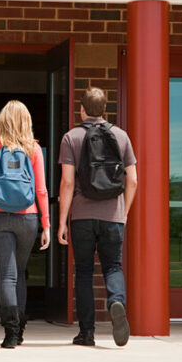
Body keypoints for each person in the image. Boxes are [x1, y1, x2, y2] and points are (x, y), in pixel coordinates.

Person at [57, 87, 137, 347]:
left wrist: (62, 221)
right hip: (113, 214)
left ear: (81, 109)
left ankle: (86, 333)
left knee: (83, 272)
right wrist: (123, 212)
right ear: (105, 109)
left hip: (82, 216)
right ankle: (116, 301)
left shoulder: (71, 137)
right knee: (113, 266)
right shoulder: (121, 136)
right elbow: (133, 180)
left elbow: (67, 183)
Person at [0, 100, 50, 348]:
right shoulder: (34, 149)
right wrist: (46, 224)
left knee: (6, 275)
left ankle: (10, 334)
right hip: (28, 217)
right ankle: (20, 330)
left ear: (2, 120)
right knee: (20, 273)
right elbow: (41, 189)